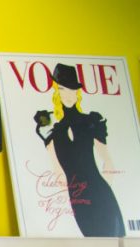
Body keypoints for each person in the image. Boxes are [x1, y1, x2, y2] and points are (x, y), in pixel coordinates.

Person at [34, 63, 124, 237]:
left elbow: (108, 161)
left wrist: (102, 189)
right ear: (57, 93)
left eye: (72, 90)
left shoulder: (90, 121)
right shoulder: (52, 130)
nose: (68, 95)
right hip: (78, 200)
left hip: (100, 194)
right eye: (62, 89)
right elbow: (58, 172)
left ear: (77, 93)